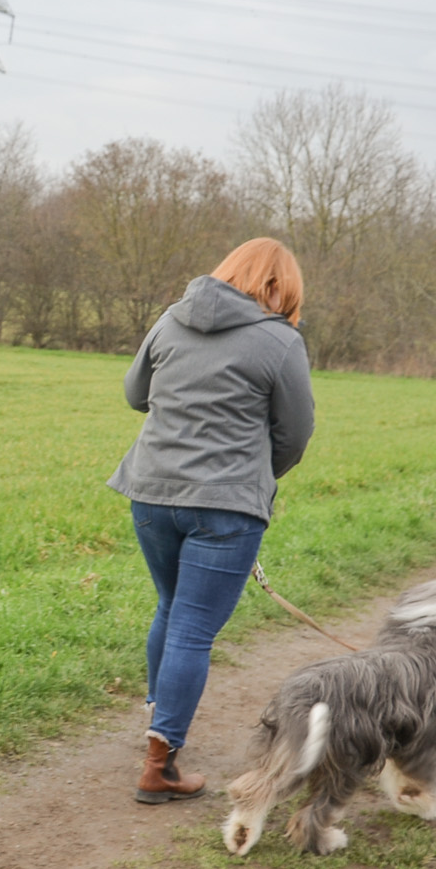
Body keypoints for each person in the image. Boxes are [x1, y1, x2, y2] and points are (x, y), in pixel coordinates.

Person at [107, 238, 313, 805]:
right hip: (224, 508)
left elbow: (134, 394)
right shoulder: (279, 341)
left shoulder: (171, 319)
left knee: (172, 609)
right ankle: (160, 764)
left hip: (150, 492)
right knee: (193, 628)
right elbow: (294, 435)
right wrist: (250, 477)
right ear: (278, 289)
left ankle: (158, 725)